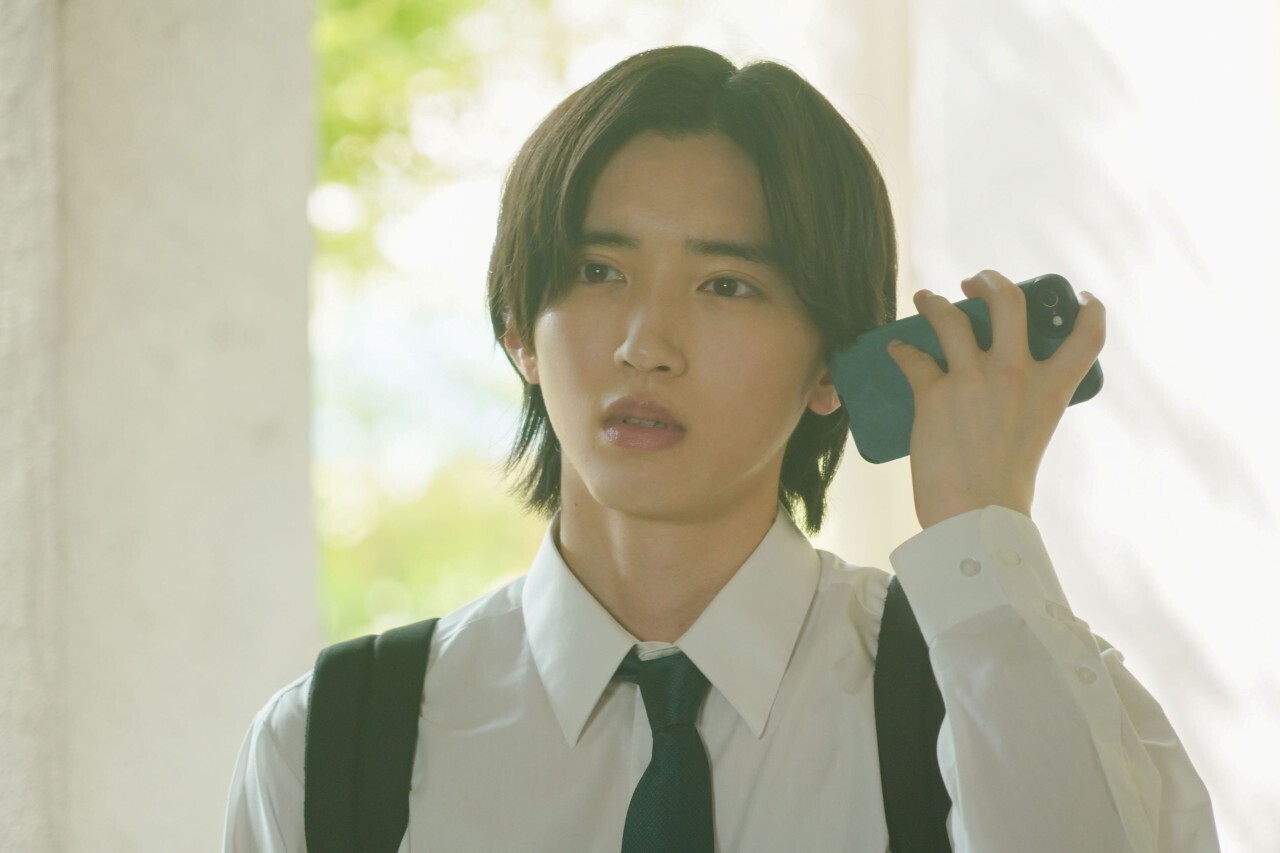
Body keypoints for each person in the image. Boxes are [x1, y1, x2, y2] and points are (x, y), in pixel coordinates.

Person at [223, 45, 1219, 851]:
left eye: (725, 286)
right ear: (519, 329)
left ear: (832, 363)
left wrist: (980, 532)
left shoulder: (994, 682)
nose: (644, 345)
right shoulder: (331, 744)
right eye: (597, 270)